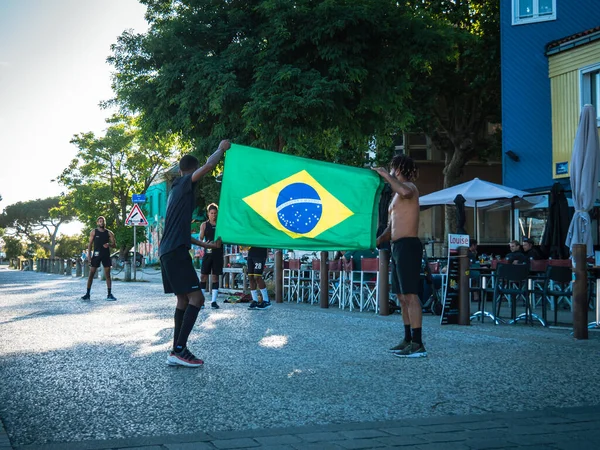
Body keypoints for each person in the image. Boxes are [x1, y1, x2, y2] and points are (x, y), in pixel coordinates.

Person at [161, 140, 230, 367]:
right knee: (198, 298)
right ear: (191, 170)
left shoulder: (175, 195)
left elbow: (181, 232)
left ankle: (176, 349)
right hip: (175, 252)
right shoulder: (182, 184)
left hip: (169, 250)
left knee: (183, 298)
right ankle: (179, 350)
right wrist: (220, 148)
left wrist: (207, 246)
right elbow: (209, 167)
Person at [373, 154, 426, 358]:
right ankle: (407, 339)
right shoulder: (395, 196)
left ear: (399, 168)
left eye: (393, 168)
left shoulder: (410, 188)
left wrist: (385, 175)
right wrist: (374, 242)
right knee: (401, 296)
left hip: (409, 245)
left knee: (411, 295)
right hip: (397, 246)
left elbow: (403, 190)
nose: (390, 170)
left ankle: (418, 343)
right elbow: (390, 228)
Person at [81, 216, 117, 301]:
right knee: (91, 274)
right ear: (97, 223)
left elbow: (114, 245)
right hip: (96, 255)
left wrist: (109, 245)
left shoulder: (109, 233)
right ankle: (87, 294)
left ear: (104, 223)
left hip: (106, 255)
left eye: (103, 221)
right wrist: (89, 256)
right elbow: (90, 244)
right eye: (100, 221)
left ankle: (109, 294)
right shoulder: (94, 232)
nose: (101, 222)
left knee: (108, 275)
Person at [199, 203, 223, 309]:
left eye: (215, 213)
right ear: (208, 214)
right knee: (203, 275)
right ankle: (201, 301)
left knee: (215, 277)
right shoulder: (204, 225)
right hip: (208, 252)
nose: (213, 215)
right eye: (211, 213)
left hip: (218, 253)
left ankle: (213, 301)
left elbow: (223, 238)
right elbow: (200, 238)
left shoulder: (220, 225)